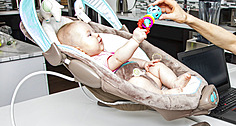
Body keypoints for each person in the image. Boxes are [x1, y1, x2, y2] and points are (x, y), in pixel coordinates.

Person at [57, 21, 191, 95]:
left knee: (158, 66)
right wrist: (134, 40)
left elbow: (128, 60)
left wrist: (145, 63)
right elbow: (119, 59)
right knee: (137, 82)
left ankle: (174, 83)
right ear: (79, 50)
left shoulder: (105, 53)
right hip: (138, 84)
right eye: (90, 35)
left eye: (94, 32)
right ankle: (162, 95)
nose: (97, 35)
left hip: (146, 76)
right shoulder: (97, 63)